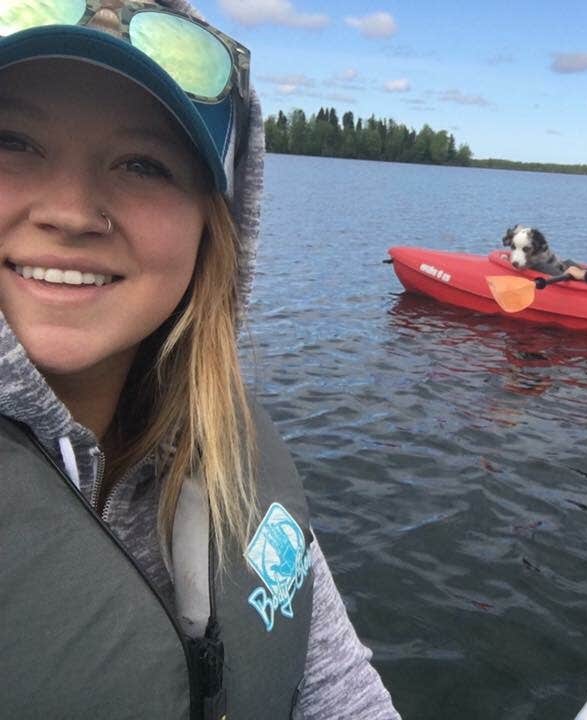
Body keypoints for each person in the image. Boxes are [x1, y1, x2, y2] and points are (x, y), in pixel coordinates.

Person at [0, 2, 400, 718]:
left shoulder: (227, 459)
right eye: (12, 140)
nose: (70, 211)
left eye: (142, 163)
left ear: (213, 232)